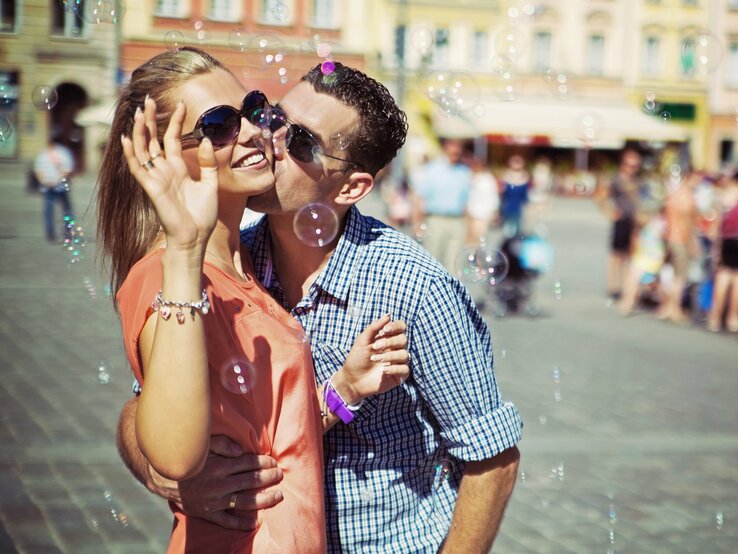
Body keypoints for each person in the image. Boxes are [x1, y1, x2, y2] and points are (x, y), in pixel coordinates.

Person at [116, 61, 522, 553]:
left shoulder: (412, 286)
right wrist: (167, 477)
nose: (270, 139)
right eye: (271, 117)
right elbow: (145, 406)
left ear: (351, 187)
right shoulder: (225, 262)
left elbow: (491, 458)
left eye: (303, 142)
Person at [98, 48, 409, 553]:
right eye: (219, 125)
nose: (251, 131)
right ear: (165, 154)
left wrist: (345, 389)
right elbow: (176, 456)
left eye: (251, 109)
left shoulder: (242, 260)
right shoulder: (170, 272)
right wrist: (183, 248)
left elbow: (264, 435)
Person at [411, 138, 473, 270]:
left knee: (455, 263)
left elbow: (466, 202)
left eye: (458, 153)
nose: (455, 156)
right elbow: (419, 197)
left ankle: (451, 290)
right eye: (452, 153)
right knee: (433, 260)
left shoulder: (464, 172)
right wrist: (417, 222)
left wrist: (469, 228)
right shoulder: (432, 170)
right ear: (445, 151)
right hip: (435, 219)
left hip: (457, 221)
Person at [596, 148, 644, 302]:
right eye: (629, 165)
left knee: (629, 256)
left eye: (635, 165)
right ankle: (613, 288)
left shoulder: (637, 181)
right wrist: (610, 212)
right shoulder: (616, 179)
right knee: (616, 255)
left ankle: (626, 287)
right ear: (622, 164)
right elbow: (600, 196)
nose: (632, 168)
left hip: (634, 222)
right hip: (621, 221)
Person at [657, 171, 699, 323]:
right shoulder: (687, 197)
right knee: (680, 277)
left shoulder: (672, 195)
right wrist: (692, 244)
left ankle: (666, 307)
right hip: (680, 239)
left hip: (668, 238)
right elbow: (688, 224)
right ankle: (674, 309)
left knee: (668, 274)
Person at [707, 169, 738, 332]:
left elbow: (717, 224)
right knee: (736, 280)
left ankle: (715, 318)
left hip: (727, 240)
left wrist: (715, 247)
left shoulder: (727, 195)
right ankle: (733, 319)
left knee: (723, 277)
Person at [34, 138, 74, 242]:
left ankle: (51, 235)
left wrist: (44, 181)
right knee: (66, 210)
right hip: (59, 186)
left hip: (49, 186)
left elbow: (38, 171)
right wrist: (56, 181)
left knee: (49, 211)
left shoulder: (43, 154)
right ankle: (67, 234)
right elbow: (67, 171)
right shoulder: (64, 153)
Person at [464, 155, 499, 246]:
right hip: (470, 213)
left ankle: (477, 258)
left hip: (483, 214)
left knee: (479, 239)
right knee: (470, 239)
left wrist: (494, 212)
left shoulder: (487, 179)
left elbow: (493, 196)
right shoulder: (469, 176)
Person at [498, 154, 530, 237]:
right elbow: (502, 193)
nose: (516, 164)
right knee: (507, 230)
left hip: (519, 207)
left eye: (518, 162)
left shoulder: (525, 176)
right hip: (507, 206)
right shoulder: (506, 175)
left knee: (517, 229)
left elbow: (525, 195)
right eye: (515, 162)